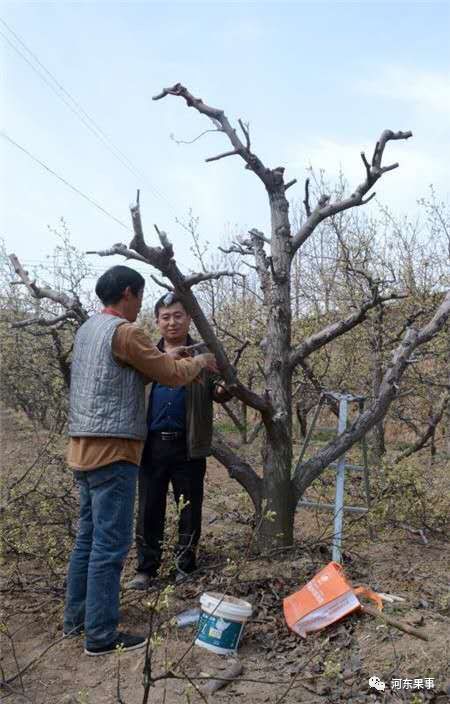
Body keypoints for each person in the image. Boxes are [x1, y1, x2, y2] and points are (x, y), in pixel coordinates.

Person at [63, 266, 218, 656]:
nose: (141, 307)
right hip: (113, 451)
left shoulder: (88, 330)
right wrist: (198, 362)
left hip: (82, 448)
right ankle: (99, 635)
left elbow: (122, 373)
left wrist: (175, 355)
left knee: (87, 540)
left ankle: (76, 620)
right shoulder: (126, 331)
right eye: (140, 297)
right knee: (109, 547)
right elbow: (166, 373)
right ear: (129, 293)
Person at [125, 293, 231, 590]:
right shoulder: (148, 355)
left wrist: (226, 384)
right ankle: (146, 568)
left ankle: (185, 565)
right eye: (165, 317)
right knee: (149, 507)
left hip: (188, 445)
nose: (172, 322)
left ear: (188, 318)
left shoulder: (205, 353)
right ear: (157, 321)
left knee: (189, 507)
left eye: (178, 315)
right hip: (151, 445)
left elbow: (219, 392)